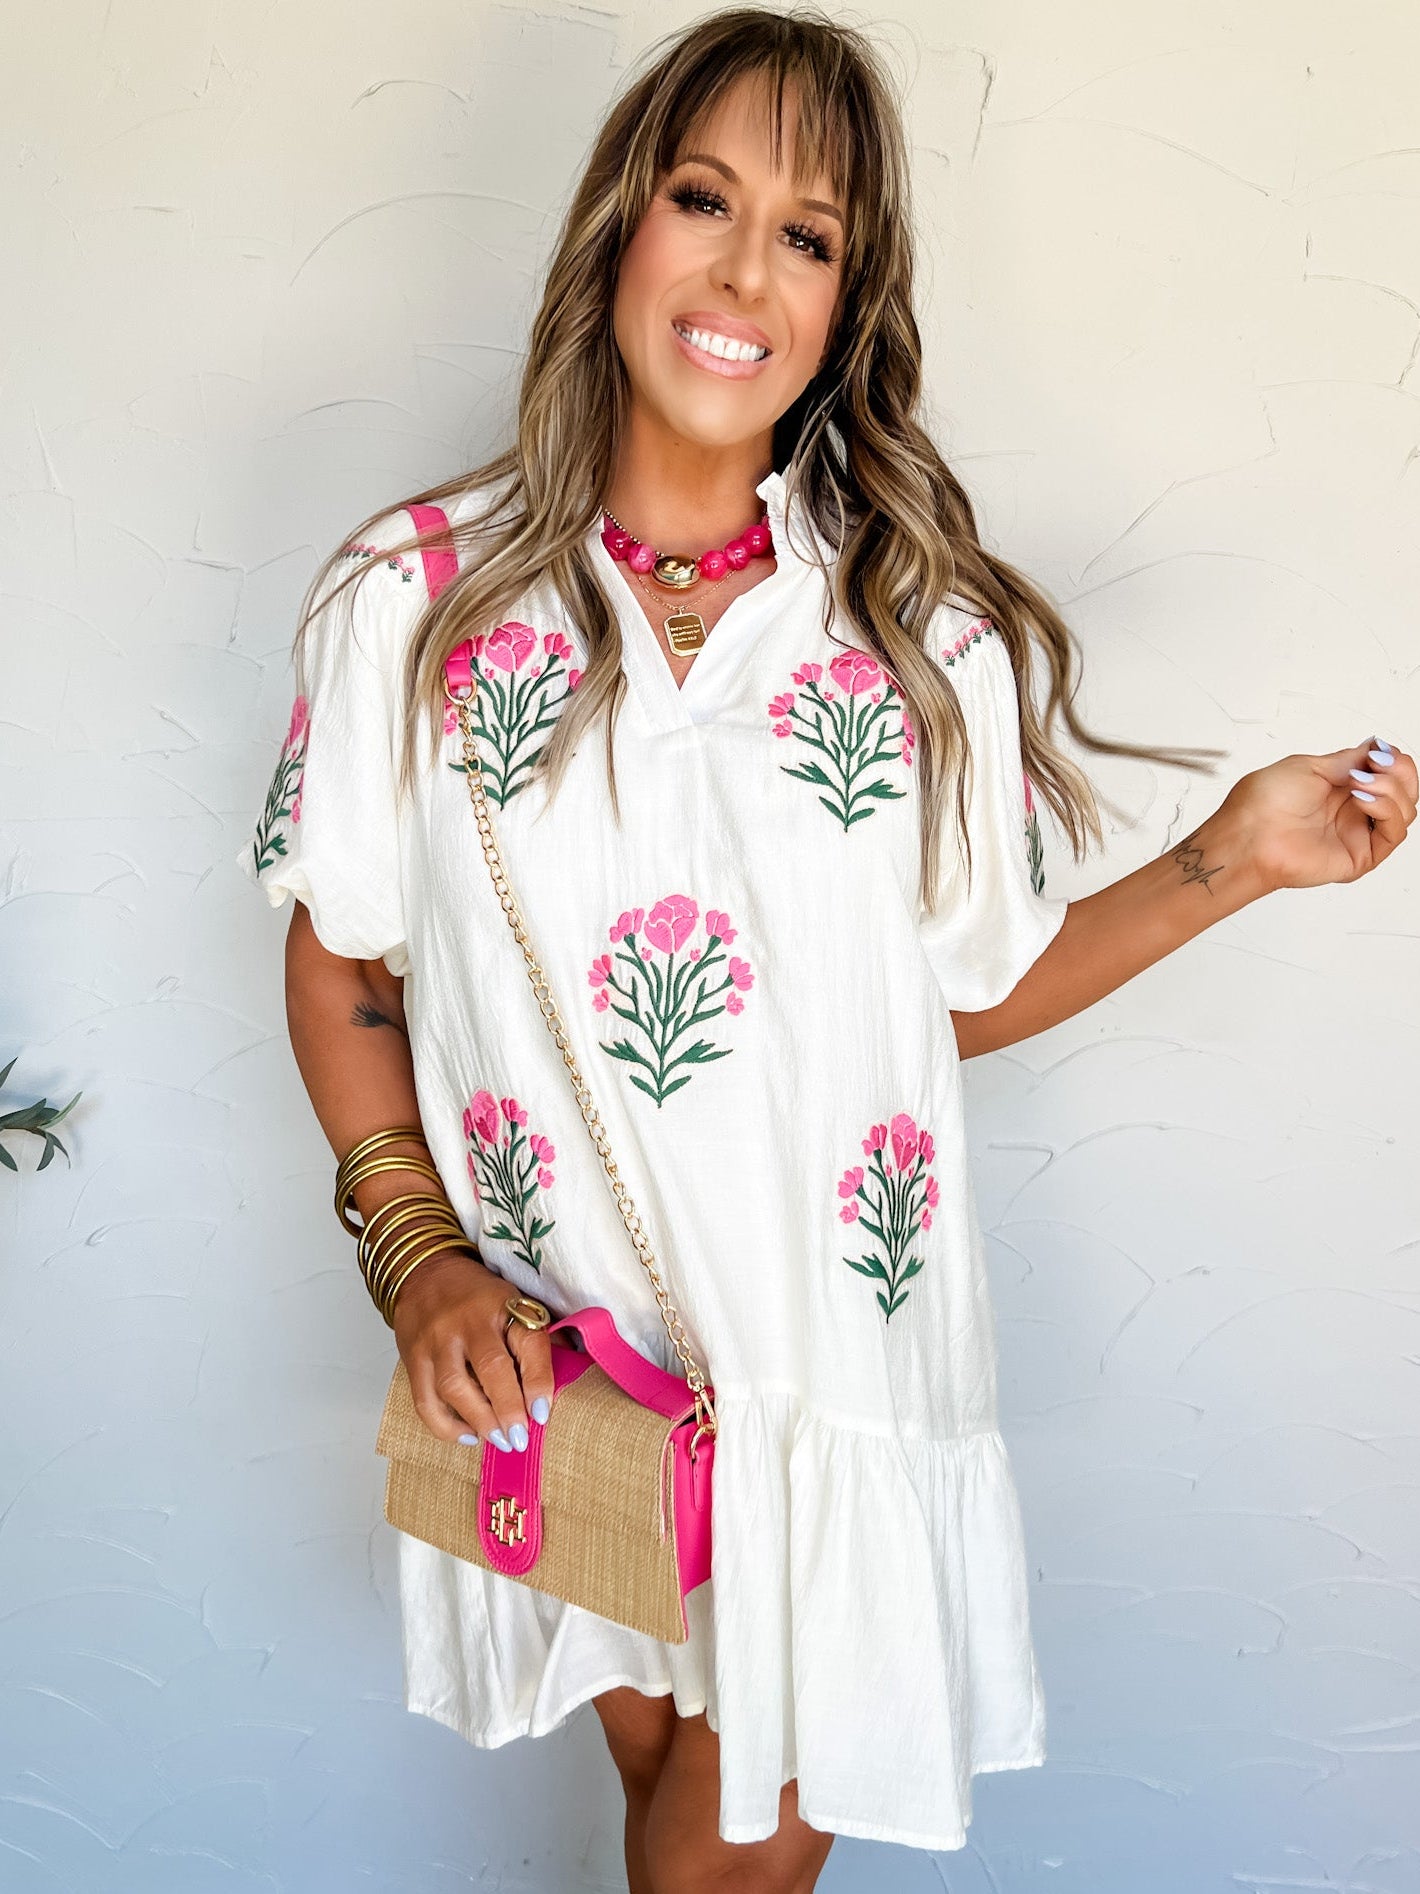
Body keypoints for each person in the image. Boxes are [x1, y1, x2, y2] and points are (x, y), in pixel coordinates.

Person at [237, 8, 1414, 1889]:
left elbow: (942, 997)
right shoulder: (416, 597)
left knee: (724, 1865)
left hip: (836, 1381)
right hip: (556, 1369)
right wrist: (418, 1262)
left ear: (847, 300)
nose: (743, 268)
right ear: (620, 226)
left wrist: (1233, 860)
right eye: (706, 197)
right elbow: (344, 966)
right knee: (676, 1841)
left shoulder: (921, 637)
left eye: (810, 233)